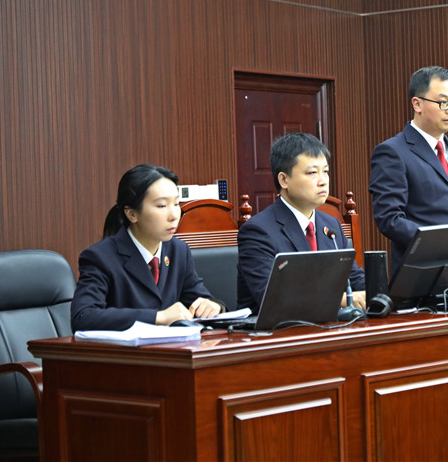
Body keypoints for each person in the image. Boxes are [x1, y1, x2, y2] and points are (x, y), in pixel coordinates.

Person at [71, 164, 224, 331]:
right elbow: (83, 317)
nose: (174, 215)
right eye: (162, 206)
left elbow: (200, 298)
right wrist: (157, 317)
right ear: (132, 214)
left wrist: (213, 306)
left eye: (176, 203)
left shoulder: (178, 251)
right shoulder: (100, 257)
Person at [369, 65, 448, 272]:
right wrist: (442, 244)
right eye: (443, 102)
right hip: (420, 272)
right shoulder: (392, 152)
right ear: (417, 104)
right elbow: (390, 219)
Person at [237, 132, 366, 314]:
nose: (323, 181)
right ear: (284, 180)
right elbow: (273, 298)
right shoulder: (258, 231)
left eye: (325, 172)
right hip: (276, 330)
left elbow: (354, 279)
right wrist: (342, 299)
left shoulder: (332, 226)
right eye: (312, 173)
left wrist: (377, 292)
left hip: (329, 326)